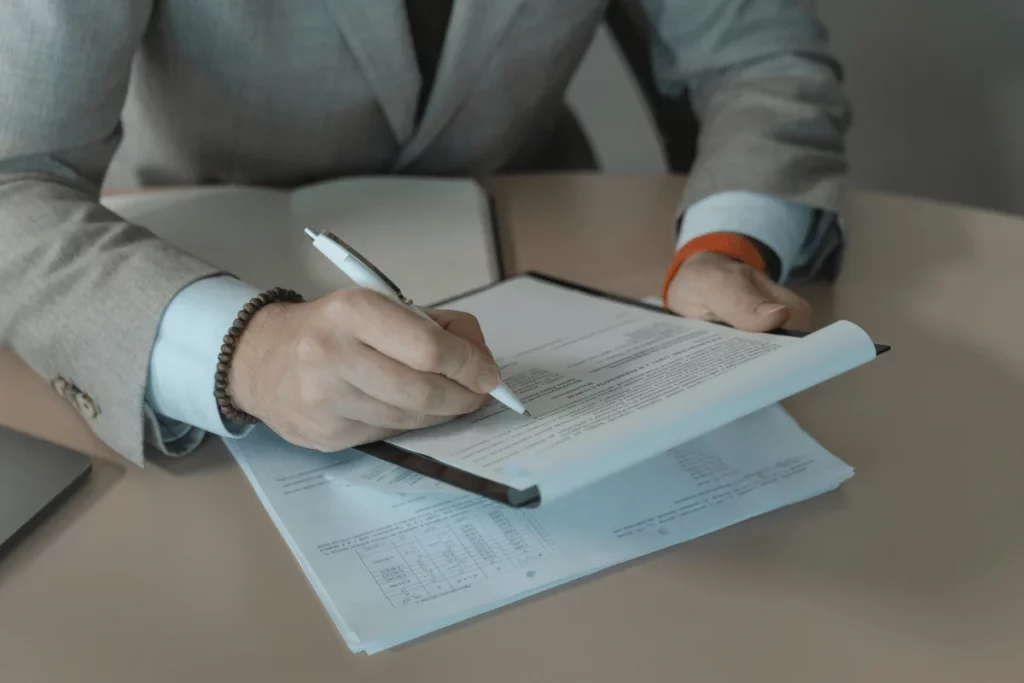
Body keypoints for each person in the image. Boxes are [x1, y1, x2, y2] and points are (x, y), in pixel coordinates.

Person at [0, 1, 849, 465]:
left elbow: (758, 57)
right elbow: (11, 173)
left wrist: (728, 244)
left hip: (539, 246)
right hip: (193, 270)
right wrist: (243, 354)